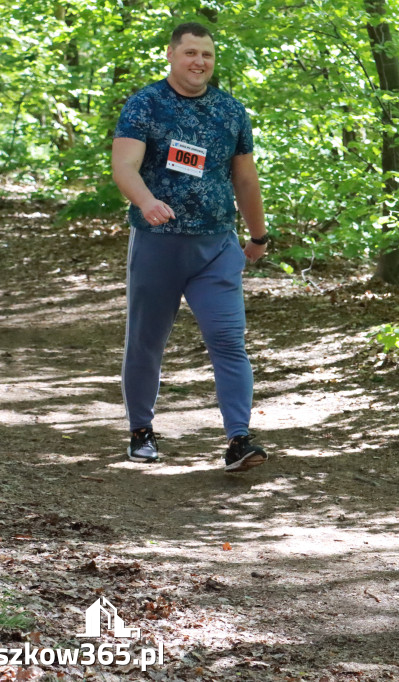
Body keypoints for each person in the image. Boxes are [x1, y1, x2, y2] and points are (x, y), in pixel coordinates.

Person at [111, 22, 270, 472]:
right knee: (146, 342)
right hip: (158, 245)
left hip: (216, 247)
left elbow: (244, 177)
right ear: (171, 55)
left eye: (207, 55)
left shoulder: (231, 111)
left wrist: (257, 235)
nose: (199, 62)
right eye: (191, 53)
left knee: (228, 341)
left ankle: (239, 439)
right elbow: (124, 165)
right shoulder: (145, 104)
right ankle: (141, 431)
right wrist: (146, 202)